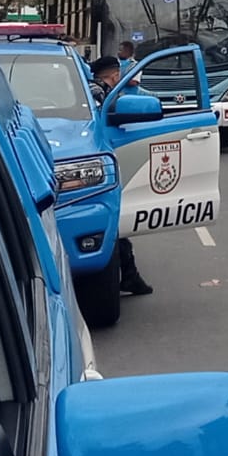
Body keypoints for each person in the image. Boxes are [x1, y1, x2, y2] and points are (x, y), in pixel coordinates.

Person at [87, 56, 153, 298]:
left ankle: (129, 274)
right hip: (97, 168)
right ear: (115, 76)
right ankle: (129, 275)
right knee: (114, 222)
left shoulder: (86, 90)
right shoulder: (100, 95)